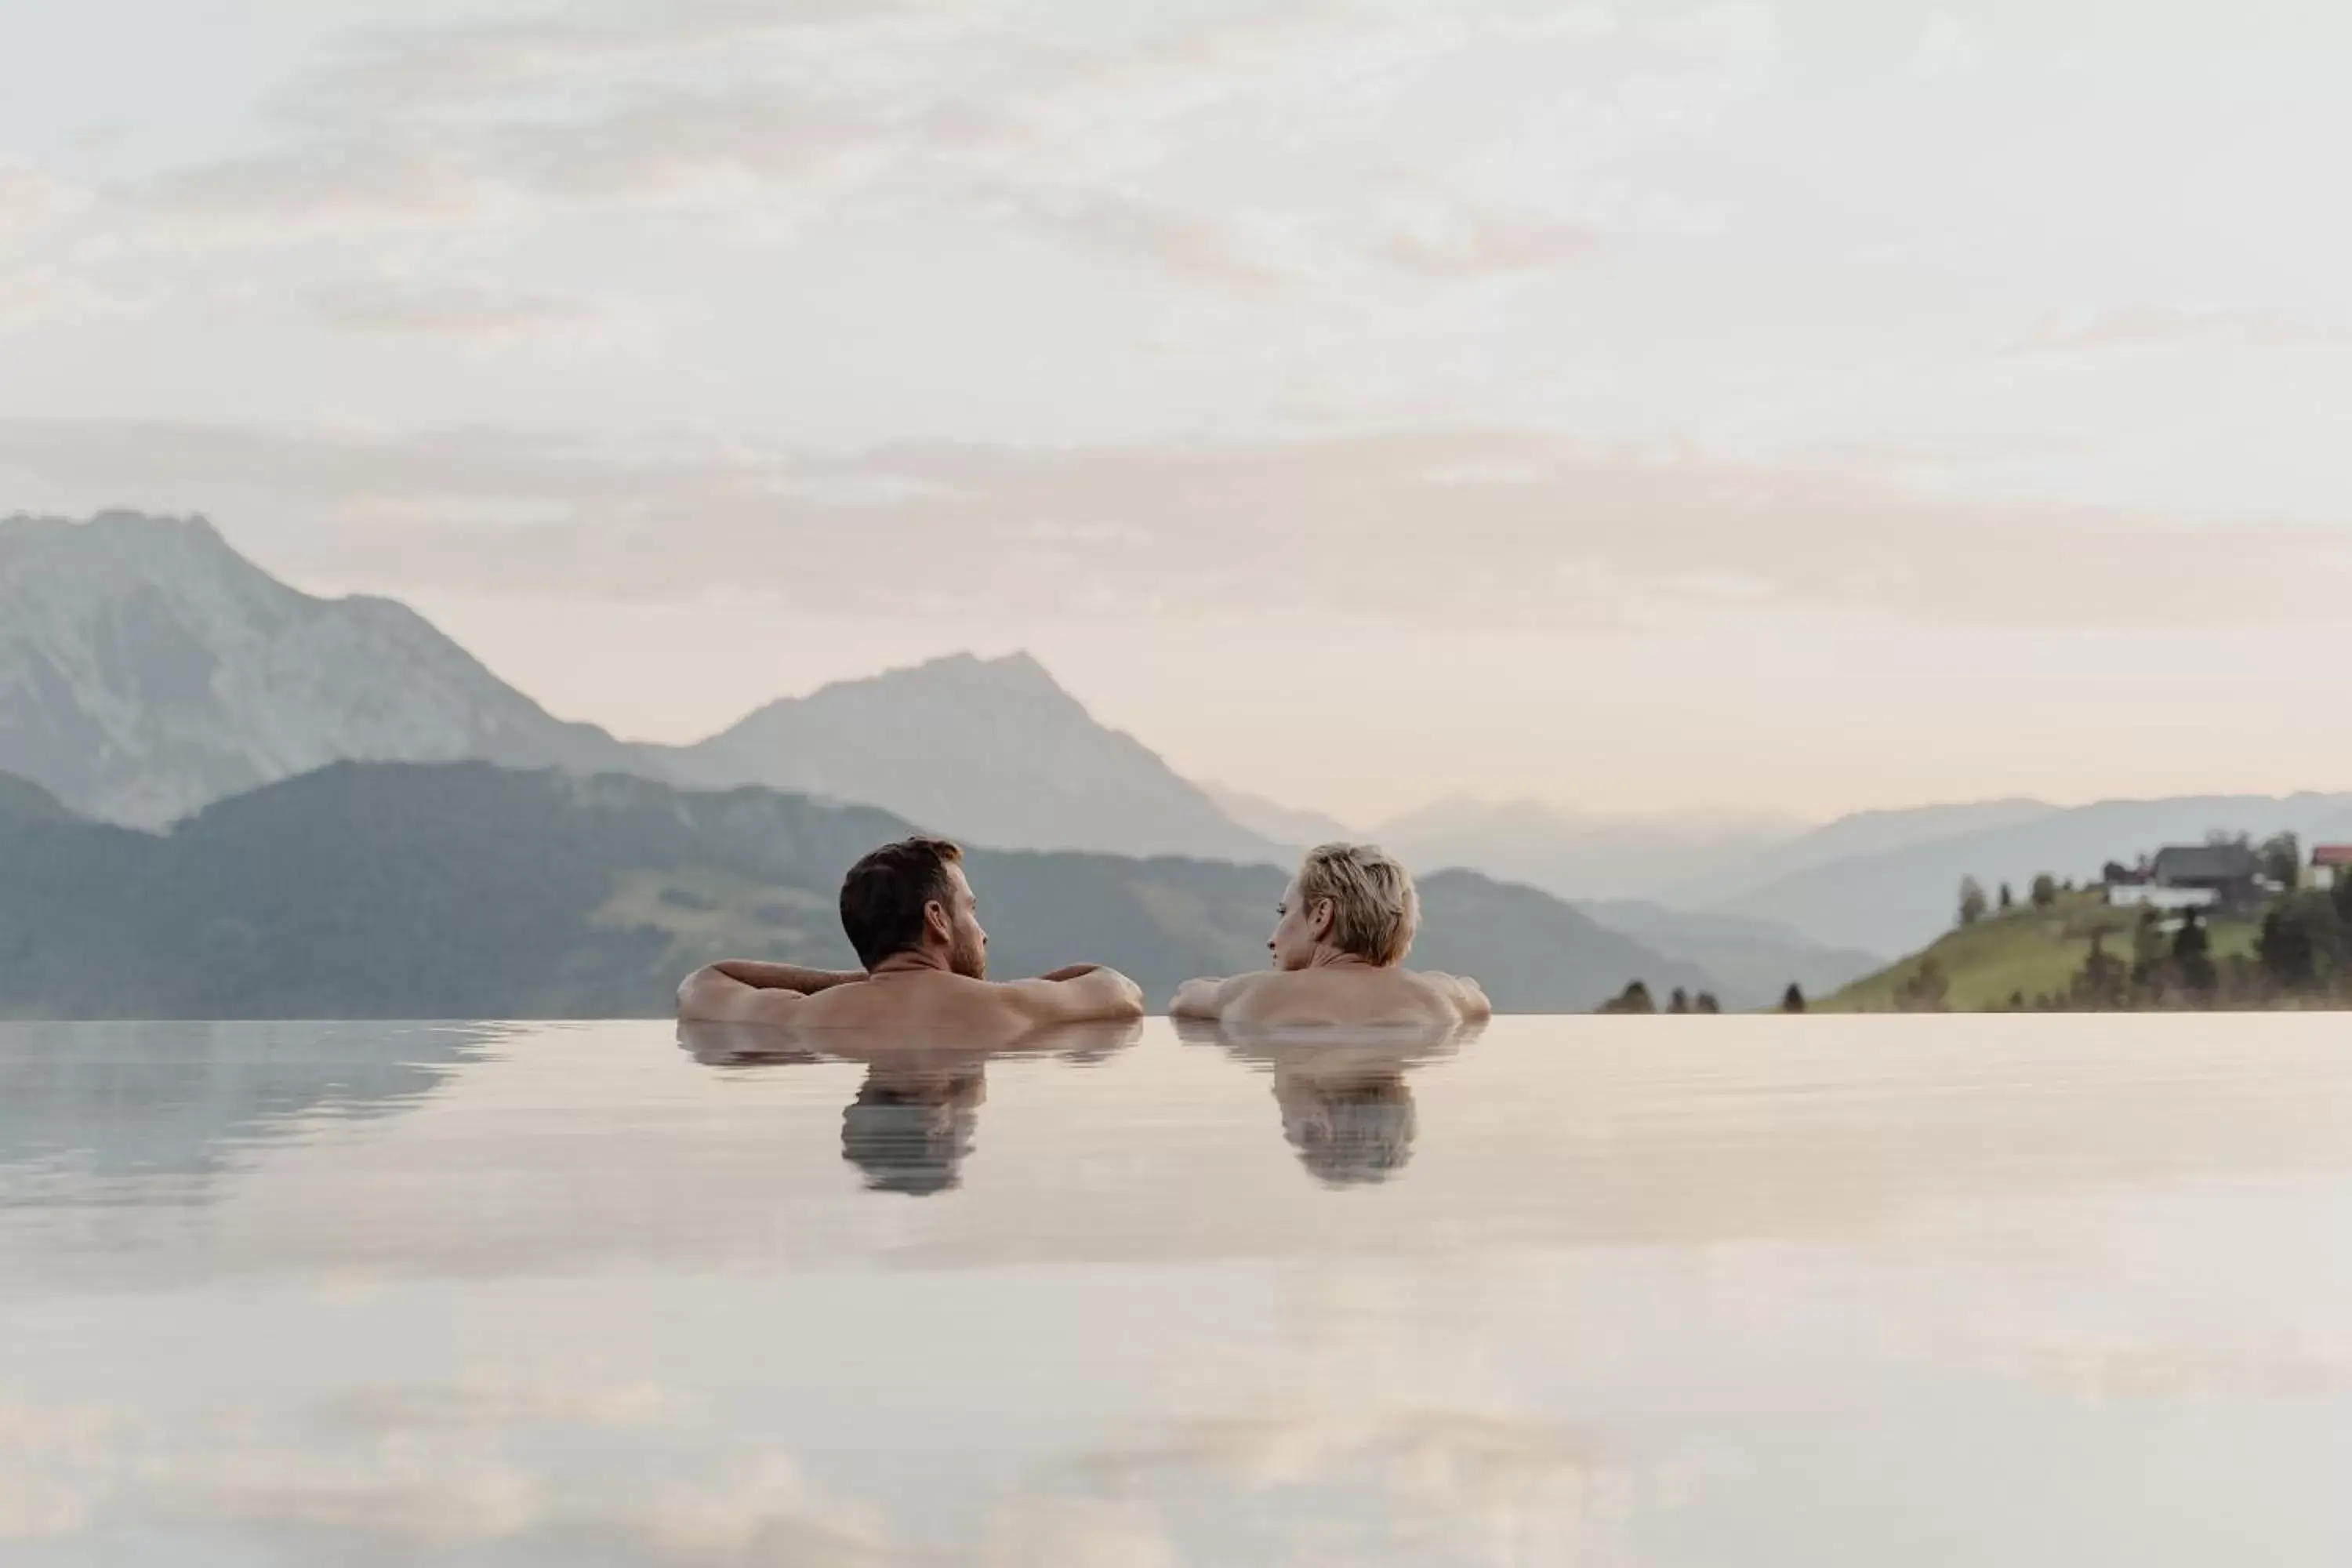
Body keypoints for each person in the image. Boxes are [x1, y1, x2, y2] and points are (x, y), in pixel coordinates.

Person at [676, 836, 1145, 1038]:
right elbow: (1120, 990)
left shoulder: (800, 1020)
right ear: (937, 920)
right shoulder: (1014, 1006)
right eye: (971, 912)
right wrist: (990, 990)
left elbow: (705, 982)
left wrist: (867, 981)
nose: (983, 935)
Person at [1167, 843, 1492, 1027]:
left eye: (1284, 913)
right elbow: (1477, 996)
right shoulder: (1439, 996)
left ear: (1321, 916)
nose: (1272, 938)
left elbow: (1185, 997)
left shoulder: (1259, 993)